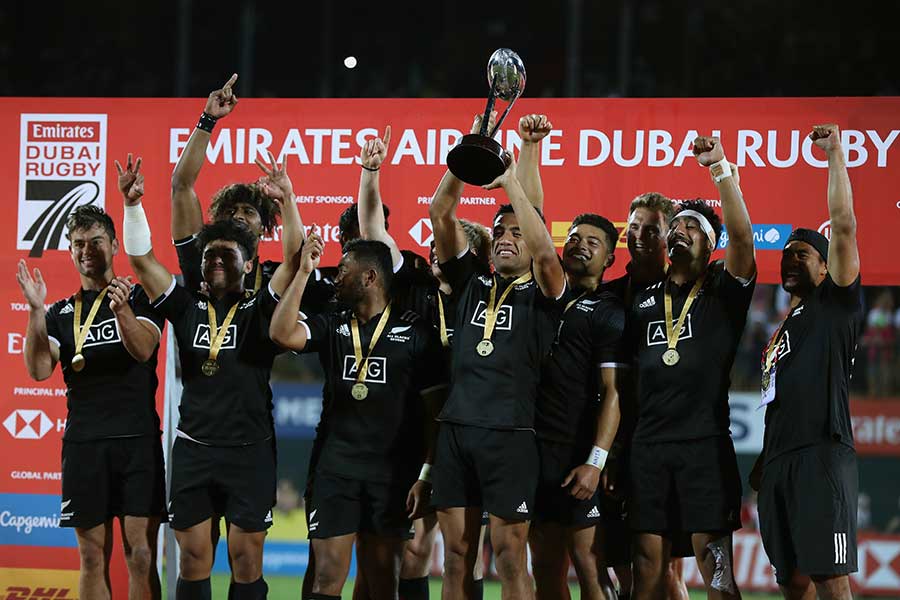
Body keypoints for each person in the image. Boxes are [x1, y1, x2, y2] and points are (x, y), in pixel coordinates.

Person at [119, 154, 300, 599]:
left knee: (246, 560)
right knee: (194, 558)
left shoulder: (261, 306)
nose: (217, 259)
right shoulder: (183, 304)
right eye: (210, 253)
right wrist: (132, 205)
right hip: (195, 450)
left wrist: (290, 198)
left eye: (228, 253)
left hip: (250, 451)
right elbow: (142, 261)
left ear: (250, 260)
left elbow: (296, 263)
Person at [353, 125, 494, 600]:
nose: (435, 248)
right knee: (406, 551)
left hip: (469, 428)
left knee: (461, 549)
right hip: (411, 429)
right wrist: (370, 174)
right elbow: (373, 231)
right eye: (434, 243)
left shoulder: (482, 295)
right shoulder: (412, 282)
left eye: (448, 242)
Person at [430, 116, 566, 600]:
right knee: (456, 558)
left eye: (517, 231)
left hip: (510, 434)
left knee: (510, 558)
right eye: (499, 231)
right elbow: (440, 213)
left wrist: (511, 176)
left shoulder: (546, 291)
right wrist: (471, 148)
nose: (507, 237)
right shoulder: (470, 280)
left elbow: (546, 253)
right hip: (456, 430)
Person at [269, 236, 449, 600]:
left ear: (369, 277)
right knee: (325, 579)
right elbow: (281, 332)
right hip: (334, 470)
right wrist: (303, 272)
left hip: (392, 475)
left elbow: (435, 417)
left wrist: (425, 475)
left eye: (344, 271)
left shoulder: (417, 334)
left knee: (382, 582)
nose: (336, 277)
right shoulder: (333, 322)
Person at [627, 136, 756, 600]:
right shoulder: (642, 299)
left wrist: (720, 169)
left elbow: (742, 237)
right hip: (647, 449)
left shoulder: (724, 292)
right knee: (647, 571)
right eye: (675, 225)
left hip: (704, 447)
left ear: (710, 244)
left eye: (692, 228)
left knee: (716, 574)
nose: (679, 231)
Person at [17, 198, 166, 600]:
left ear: (115, 245)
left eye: (96, 241)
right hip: (85, 444)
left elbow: (143, 351)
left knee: (140, 553)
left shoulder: (140, 298)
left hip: (137, 443)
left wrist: (121, 313)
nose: (88, 251)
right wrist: (34, 311)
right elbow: (38, 369)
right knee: (91, 556)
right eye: (79, 243)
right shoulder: (60, 313)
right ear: (69, 250)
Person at [751, 124, 862, 600]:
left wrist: (834, 154)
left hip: (821, 454)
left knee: (830, 581)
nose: (791, 259)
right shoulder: (780, 331)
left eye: (803, 254)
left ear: (825, 267)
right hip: (778, 461)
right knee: (793, 583)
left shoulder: (834, 307)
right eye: (786, 254)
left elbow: (843, 221)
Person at [529, 213, 624, 600]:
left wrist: (596, 461)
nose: (579, 244)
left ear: (609, 260)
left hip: (577, 456)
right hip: (534, 452)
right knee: (546, 567)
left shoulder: (610, 311)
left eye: (593, 242)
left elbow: (615, 392)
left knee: (588, 564)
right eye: (573, 237)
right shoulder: (539, 293)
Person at [601, 193, 689, 600]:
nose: (638, 236)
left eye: (650, 229)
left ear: (668, 236)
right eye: (633, 228)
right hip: (615, 446)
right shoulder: (608, 295)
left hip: (665, 444)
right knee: (616, 563)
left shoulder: (690, 295)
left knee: (667, 570)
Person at [171, 73, 302, 294]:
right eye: (229, 210)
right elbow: (181, 185)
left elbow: (298, 258)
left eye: (248, 211)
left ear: (263, 227)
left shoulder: (273, 276)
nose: (238, 216)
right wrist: (208, 119)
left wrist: (287, 198)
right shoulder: (199, 261)